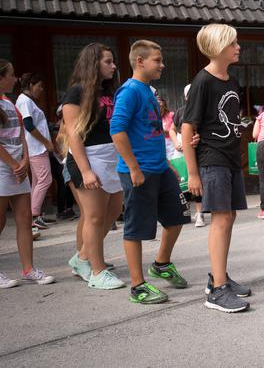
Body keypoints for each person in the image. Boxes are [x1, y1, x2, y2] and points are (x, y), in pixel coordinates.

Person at [111, 40, 189, 304]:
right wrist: (133, 167)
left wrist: (167, 165)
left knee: (177, 218)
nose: (162, 64)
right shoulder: (130, 91)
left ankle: (161, 263)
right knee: (136, 228)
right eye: (157, 59)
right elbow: (117, 131)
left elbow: (152, 133)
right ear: (140, 61)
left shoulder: (149, 92)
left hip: (159, 168)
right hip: (139, 171)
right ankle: (137, 286)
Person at [183, 24, 251, 313]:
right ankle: (217, 290)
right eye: (233, 43)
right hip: (213, 160)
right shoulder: (203, 81)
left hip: (230, 158)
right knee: (221, 218)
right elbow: (188, 128)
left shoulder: (231, 80)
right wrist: (193, 173)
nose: (238, 47)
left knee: (229, 215)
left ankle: (218, 276)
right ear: (218, 47)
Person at [62, 43, 125, 289]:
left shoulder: (109, 91)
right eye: (108, 61)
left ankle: (84, 258)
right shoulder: (75, 93)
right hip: (88, 158)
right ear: (93, 63)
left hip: (111, 157)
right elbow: (73, 135)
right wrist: (86, 170)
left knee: (111, 214)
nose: (113, 66)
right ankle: (97, 271)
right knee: (95, 217)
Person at [0, 60, 55, 288]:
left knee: (24, 219)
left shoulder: (10, 103)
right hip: (4, 166)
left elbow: (22, 133)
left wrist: (23, 161)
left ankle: (28, 269)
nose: (15, 79)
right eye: (11, 75)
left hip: (18, 166)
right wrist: (14, 164)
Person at [15, 73, 54, 229]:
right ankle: (34, 215)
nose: (41, 89)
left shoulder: (27, 101)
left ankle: (33, 216)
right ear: (31, 85)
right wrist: (46, 142)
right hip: (36, 147)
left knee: (38, 181)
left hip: (37, 147)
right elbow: (29, 125)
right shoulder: (24, 101)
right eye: (39, 86)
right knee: (45, 180)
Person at [170, 84, 206, 227]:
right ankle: (186, 213)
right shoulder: (180, 111)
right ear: (185, 97)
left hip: (195, 151)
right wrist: (176, 143)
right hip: (180, 151)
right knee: (182, 183)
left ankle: (200, 214)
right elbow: (172, 129)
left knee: (196, 182)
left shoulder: (202, 111)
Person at [158, 95, 176, 160]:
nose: (159, 109)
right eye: (157, 107)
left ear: (164, 106)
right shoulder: (152, 118)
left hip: (172, 145)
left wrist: (166, 132)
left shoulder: (171, 115)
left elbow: (177, 130)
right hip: (160, 146)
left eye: (161, 106)